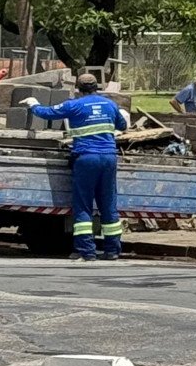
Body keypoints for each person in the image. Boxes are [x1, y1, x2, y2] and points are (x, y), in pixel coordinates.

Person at [29, 72, 128, 262]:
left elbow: (47, 113)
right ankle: (112, 250)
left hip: (86, 159)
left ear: (78, 89)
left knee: (83, 205)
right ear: (97, 87)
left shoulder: (73, 105)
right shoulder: (110, 104)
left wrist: (34, 104)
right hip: (108, 158)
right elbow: (122, 125)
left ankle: (86, 251)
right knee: (108, 204)